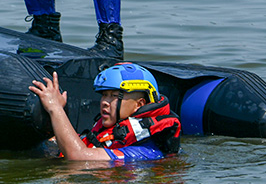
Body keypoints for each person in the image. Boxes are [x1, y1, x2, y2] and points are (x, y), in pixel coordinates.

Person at [29, 63, 181, 162]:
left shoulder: (145, 153)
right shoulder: (115, 132)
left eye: (114, 96)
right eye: (104, 95)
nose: (104, 102)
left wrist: (55, 109)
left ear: (139, 104)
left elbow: (79, 156)